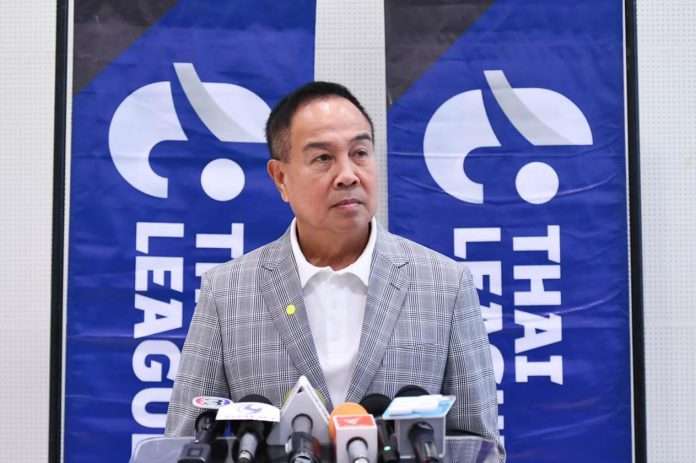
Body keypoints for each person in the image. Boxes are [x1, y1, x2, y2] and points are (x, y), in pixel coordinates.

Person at [165, 81, 503, 457]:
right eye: (323, 158)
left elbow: (481, 449)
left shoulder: (445, 285)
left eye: (360, 153)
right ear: (281, 178)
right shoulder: (227, 291)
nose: (348, 175)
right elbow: (185, 444)